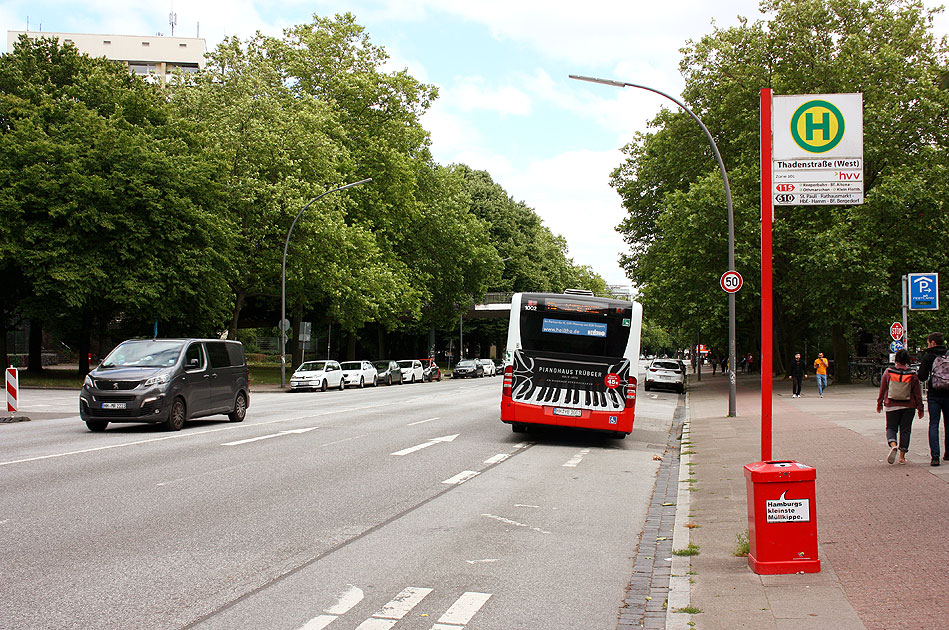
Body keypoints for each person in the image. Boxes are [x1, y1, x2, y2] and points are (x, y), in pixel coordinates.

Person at [876, 349, 923, 464]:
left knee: (891, 428)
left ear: (896, 359)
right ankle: (902, 457)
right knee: (905, 430)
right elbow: (917, 393)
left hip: (892, 405)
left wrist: (879, 403)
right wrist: (920, 408)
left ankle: (893, 445)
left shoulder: (888, 372)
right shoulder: (912, 374)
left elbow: (883, 389)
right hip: (909, 406)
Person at [916, 332, 949, 467]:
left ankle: (935, 456)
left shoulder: (928, 357)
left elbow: (922, 377)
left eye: (928, 342)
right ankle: (948, 453)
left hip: (934, 395)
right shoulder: (948, 354)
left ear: (933, 342)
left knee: (934, 424)